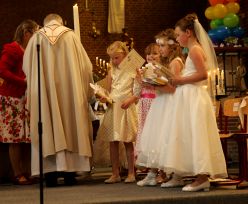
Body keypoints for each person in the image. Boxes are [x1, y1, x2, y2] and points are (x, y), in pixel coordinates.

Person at [23, 14, 94, 187]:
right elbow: (86, 67)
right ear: (60, 22)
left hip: (44, 94)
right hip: (70, 92)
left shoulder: (36, 37)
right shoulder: (71, 36)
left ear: (45, 22)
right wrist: (86, 91)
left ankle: (50, 176)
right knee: (72, 126)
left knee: (48, 125)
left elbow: (26, 68)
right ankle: (70, 174)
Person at [165, 13, 227, 191]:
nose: (177, 39)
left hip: (195, 97)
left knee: (198, 134)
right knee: (189, 134)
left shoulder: (195, 50)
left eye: (178, 35)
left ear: (189, 32)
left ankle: (202, 177)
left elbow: (203, 75)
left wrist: (179, 80)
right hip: (189, 96)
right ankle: (194, 174)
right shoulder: (191, 50)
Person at [136, 28, 184, 187]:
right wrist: (146, 82)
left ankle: (173, 175)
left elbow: (173, 88)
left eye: (162, 46)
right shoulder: (166, 63)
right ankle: (152, 173)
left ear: (172, 46)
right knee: (155, 138)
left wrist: (153, 84)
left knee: (165, 138)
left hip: (169, 103)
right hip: (161, 102)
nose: (160, 49)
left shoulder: (176, 63)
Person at [0, 19, 39, 185]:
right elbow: (2, 71)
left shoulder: (29, 49)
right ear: (26, 33)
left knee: (26, 138)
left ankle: (27, 171)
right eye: (35, 34)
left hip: (25, 98)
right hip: (12, 98)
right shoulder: (12, 49)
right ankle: (17, 173)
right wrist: (21, 81)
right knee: (15, 139)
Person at [97, 41, 139, 184]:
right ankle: (115, 173)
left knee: (128, 141)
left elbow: (137, 91)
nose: (114, 61)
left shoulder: (132, 68)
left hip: (126, 106)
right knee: (113, 142)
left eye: (117, 57)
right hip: (113, 107)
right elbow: (108, 90)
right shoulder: (111, 70)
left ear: (125, 55)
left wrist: (131, 100)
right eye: (112, 58)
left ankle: (131, 172)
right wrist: (103, 97)